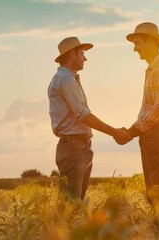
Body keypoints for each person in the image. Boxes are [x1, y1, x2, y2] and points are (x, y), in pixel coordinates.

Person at [48, 36, 130, 200]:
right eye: (82, 53)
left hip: (78, 147)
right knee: (70, 208)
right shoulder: (65, 79)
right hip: (73, 148)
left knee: (73, 206)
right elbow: (83, 115)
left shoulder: (68, 78)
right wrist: (114, 132)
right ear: (73, 54)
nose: (85, 58)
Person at [117, 22, 159, 203]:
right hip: (156, 133)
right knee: (158, 193)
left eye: (137, 43)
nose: (135, 49)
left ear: (150, 41)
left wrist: (131, 132)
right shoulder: (155, 68)